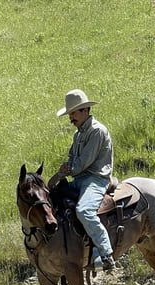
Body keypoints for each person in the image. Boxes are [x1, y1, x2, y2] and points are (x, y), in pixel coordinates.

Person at [48, 89, 116, 272]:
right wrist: (64, 171)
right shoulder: (78, 135)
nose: (71, 117)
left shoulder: (97, 131)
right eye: (69, 114)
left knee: (84, 210)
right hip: (80, 179)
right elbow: (72, 159)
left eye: (73, 113)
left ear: (85, 110)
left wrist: (60, 174)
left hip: (95, 179)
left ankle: (105, 253)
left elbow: (81, 163)